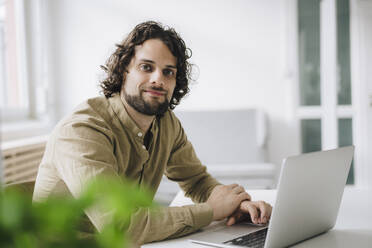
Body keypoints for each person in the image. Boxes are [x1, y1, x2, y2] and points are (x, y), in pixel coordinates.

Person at [33, 21, 272, 245]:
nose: (158, 79)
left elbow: (197, 181)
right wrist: (210, 211)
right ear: (123, 70)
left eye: (168, 72)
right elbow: (122, 225)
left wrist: (235, 205)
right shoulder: (81, 131)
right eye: (146, 67)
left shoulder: (166, 123)